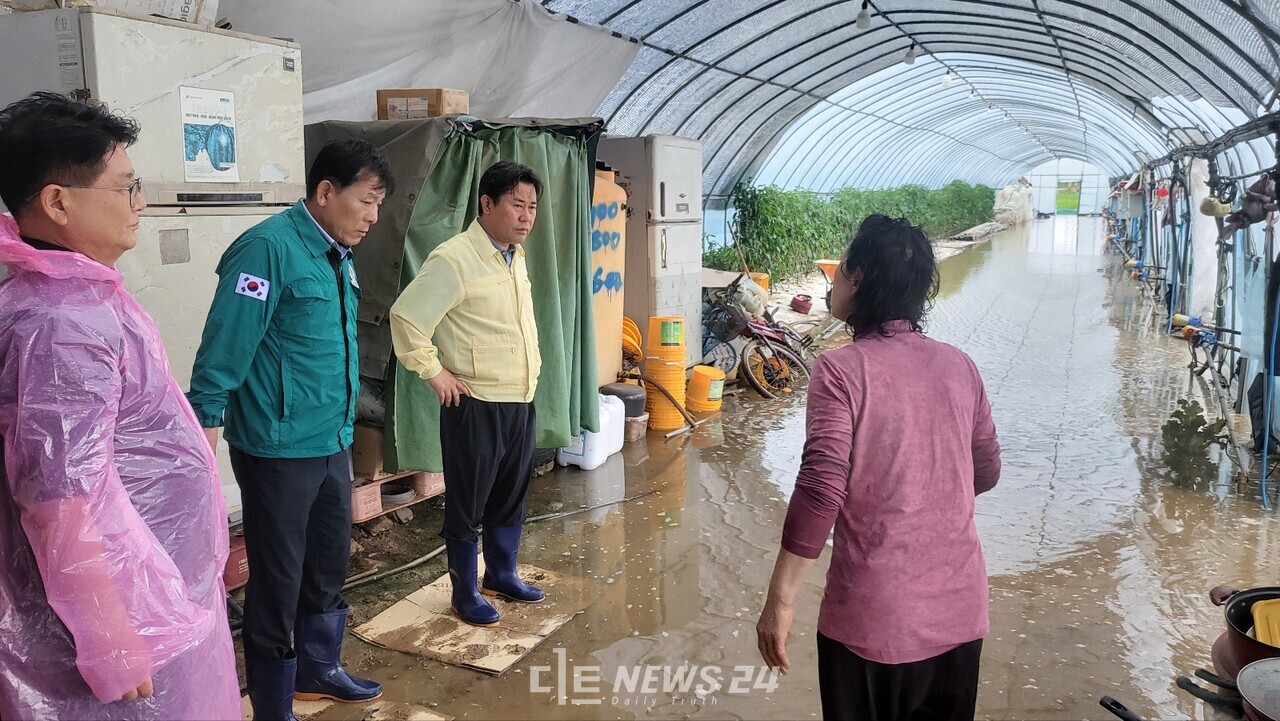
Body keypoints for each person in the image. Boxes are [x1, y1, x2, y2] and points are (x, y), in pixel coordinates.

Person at [0, 92, 239, 719]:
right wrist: (107, 634)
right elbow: (56, 497)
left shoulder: (76, 297)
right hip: (122, 624)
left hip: (154, 591)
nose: (141, 205)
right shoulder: (60, 322)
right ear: (57, 201)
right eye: (126, 189)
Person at [756, 215, 1001, 721]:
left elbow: (821, 491)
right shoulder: (961, 365)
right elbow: (986, 471)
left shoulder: (841, 370)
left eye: (842, 269)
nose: (835, 281)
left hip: (875, 619)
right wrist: (924, 490)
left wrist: (780, 601)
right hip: (961, 612)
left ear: (860, 279)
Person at [187, 139, 394, 719]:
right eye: (366, 201)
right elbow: (225, 345)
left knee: (328, 561)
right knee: (278, 580)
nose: (373, 216)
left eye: (380, 204)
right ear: (325, 192)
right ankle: (274, 704)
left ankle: (318, 670)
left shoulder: (336, 253)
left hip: (330, 440)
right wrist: (206, 423)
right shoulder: (266, 251)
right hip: (277, 448)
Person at [390, 160, 545, 627]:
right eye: (517, 204)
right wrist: (433, 372)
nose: (526, 216)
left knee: (510, 494)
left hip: (519, 397)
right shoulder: (454, 258)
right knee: (468, 503)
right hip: (474, 402)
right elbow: (407, 317)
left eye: (532, 207)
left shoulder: (514, 258)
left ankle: (501, 574)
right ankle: (464, 593)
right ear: (487, 203)